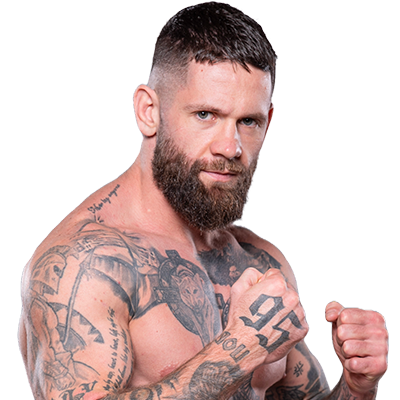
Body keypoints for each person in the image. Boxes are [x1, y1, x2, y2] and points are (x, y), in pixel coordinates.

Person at [18, 3, 388, 399]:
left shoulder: (258, 260)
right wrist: (239, 350)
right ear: (149, 111)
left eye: (248, 121)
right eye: (206, 115)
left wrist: (356, 387)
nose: (230, 147)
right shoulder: (84, 264)